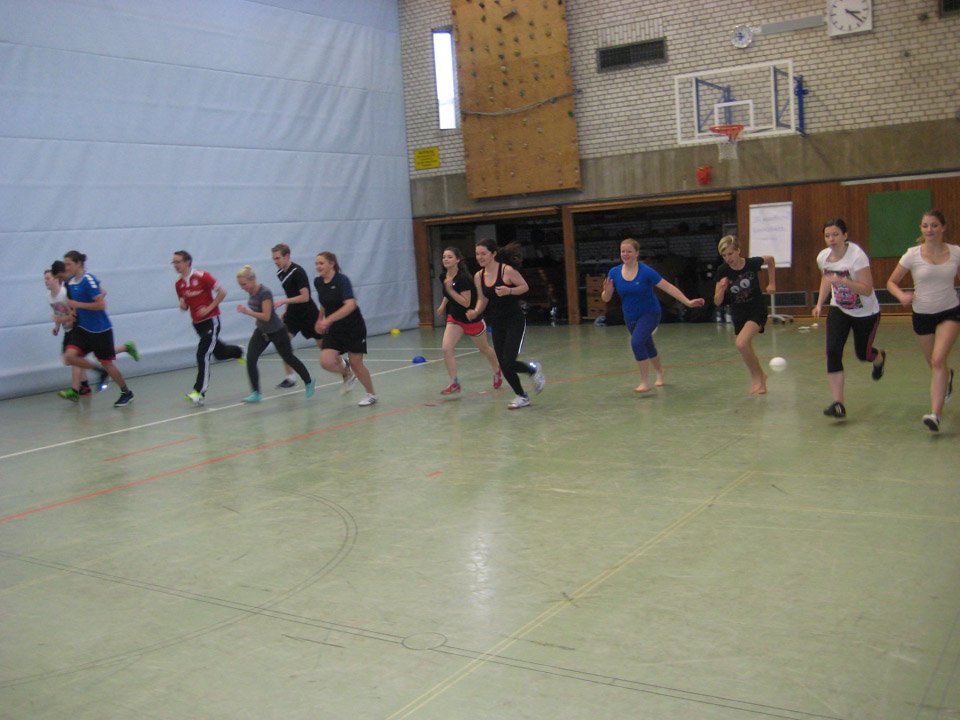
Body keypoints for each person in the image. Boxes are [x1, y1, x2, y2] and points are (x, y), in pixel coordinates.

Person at [886, 210, 959, 432]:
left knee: (937, 360)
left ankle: (935, 414)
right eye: (925, 225)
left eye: (934, 225)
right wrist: (901, 296)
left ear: (943, 227)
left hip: (950, 312)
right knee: (934, 364)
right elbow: (891, 282)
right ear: (921, 228)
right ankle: (947, 376)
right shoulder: (912, 255)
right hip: (922, 315)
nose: (930, 229)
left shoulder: (956, 252)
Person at [601, 238, 705, 393]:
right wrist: (607, 291)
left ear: (637, 253)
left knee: (637, 342)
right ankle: (660, 371)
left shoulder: (646, 271)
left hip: (650, 313)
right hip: (630, 316)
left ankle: (644, 382)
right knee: (647, 345)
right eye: (623, 251)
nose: (625, 254)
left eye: (629, 251)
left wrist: (688, 302)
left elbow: (668, 287)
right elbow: (606, 298)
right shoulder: (614, 273)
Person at [812, 219, 886, 419]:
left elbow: (867, 289)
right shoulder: (823, 257)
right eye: (827, 235)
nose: (831, 239)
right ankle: (838, 403)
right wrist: (819, 303)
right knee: (832, 351)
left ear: (845, 235)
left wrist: (845, 281)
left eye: (835, 234)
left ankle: (879, 358)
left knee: (863, 354)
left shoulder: (857, 257)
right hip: (839, 309)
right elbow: (826, 278)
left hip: (865, 313)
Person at [466, 239, 544, 409]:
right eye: (477, 254)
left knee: (508, 361)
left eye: (483, 253)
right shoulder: (479, 276)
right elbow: (482, 299)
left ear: (493, 254)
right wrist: (476, 311)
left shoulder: (506, 270)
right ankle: (522, 396)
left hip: (514, 320)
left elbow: (524, 287)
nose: (480, 257)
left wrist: (509, 290)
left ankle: (533, 370)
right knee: (503, 364)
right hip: (497, 323)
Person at [60, 251, 138, 407]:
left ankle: (126, 392)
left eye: (69, 264)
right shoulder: (71, 283)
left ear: (78, 263)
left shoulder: (89, 280)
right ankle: (99, 371)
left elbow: (101, 305)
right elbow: (76, 304)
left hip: (100, 330)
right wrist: (73, 312)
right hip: (83, 329)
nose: (66, 267)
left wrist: (78, 305)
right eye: (65, 264)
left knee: (107, 363)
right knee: (69, 357)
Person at [173, 250, 243, 406]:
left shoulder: (202, 276)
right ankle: (238, 351)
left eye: (178, 262)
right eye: (174, 262)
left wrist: (209, 308)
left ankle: (199, 392)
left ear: (187, 262)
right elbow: (185, 305)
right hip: (197, 324)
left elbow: (222, 292)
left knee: (202, 354)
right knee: (219, 353)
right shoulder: (179, 284)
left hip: (211, 321)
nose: (175, 265)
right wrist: (183, 305)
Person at [235, 265, 314, 403]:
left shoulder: (265, 293)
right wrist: (256, 320)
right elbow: (261, 316)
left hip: (277, 331)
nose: (242, 287)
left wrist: (247, 312)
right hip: (262, 331)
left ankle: (308, 381)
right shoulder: (251, 292)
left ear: (252, 280)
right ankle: (256, 393)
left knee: (289, 358)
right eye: (240, 285)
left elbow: (266, 316)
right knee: (251, 358)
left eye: (244, 284)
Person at [313, 251, 378, 406]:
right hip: (335, 329)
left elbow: (351, 304)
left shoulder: (342, 281)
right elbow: (324, 302)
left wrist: (328, 319)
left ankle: (371, 394)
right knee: (326, 361)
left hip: (353, 327)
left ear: (331, 264)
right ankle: (347, 373)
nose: (318, 266)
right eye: (316, 264)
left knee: (356, 363)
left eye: (321, 263)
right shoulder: (318, 282)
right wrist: (319, 319)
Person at [714, 235, 776, 395]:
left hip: (756, 309)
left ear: (738, 251)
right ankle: (760, 375)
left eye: (730, 254)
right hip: (738, 312)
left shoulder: (752, 263)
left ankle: (758, 378)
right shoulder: (722, 271)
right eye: (724, 255)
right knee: (745, 345)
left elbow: (770, 260)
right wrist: (722, 289)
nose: (728, 258)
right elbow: (717, 301)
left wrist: (772, 283)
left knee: (741, 343)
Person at [436, 246, 501, 394]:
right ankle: (454, 383)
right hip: (455, 318)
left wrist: (450, 290)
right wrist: (443, 305)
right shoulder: (443, 276)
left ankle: (497, 369)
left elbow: (465, 302)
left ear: (457, 260)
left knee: (484, 349)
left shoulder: (464, 279)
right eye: (444, 257)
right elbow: (447, 293)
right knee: (446, 348)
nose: (446, 259)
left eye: (450, 257)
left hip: (471, 318)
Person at [271, 243, 323, 388]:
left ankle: (344, 366)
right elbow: (290, 294)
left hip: (308, 313)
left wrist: (283, 301)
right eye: (274, 259)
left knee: (323, 346)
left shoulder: (298, 272)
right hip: (293, 314)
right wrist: (286, 310)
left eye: (278, 258)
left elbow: (305, 297)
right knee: (282, 341)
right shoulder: (280, 273)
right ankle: (290, 377)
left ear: (287, 256)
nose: (275, 261)